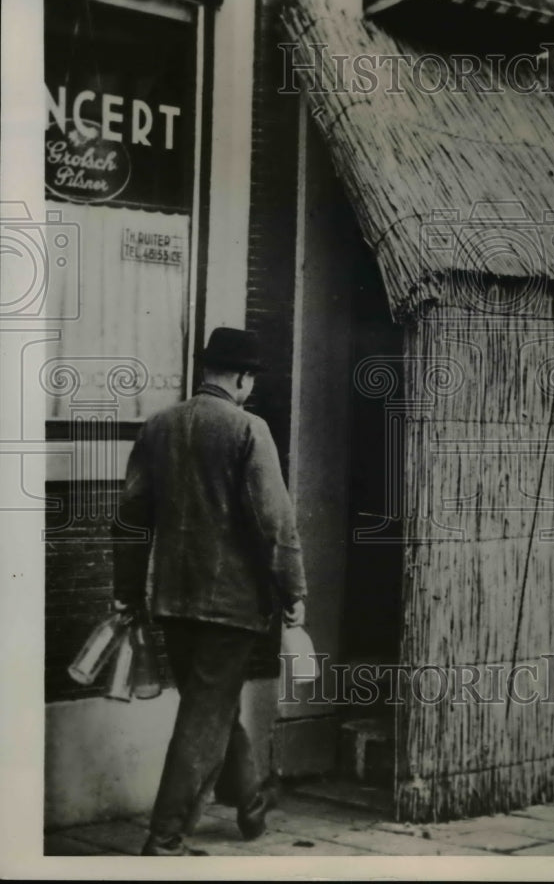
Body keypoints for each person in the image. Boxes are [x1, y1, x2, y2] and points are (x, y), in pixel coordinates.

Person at [112, 327, 308, 856]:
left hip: (171, 601)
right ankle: (165, 835)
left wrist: (127, 591)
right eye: (250, 379)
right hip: (231, 606)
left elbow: (130, 519)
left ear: (205, 371)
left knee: (210, 700)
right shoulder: (249, 429)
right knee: (205, 709)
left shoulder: (158, 426)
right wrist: (293, 592)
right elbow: (276, 524)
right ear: (242, 378)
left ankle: (249, 802)